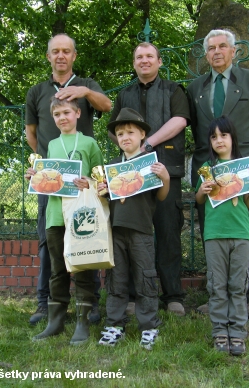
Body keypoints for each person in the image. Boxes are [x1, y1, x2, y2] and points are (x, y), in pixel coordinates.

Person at [26, 33, 112, 325]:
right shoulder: (36, 91)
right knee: (48, 241)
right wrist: (46, 168)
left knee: (86, 237)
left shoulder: (86, 85)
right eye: (55, 52)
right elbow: (31, 134)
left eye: (66, 51)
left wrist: (83, 92)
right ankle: (45, 304)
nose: (61, 56)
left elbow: (107, 107)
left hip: (82, 187)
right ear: (48, 56)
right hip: (51, 185)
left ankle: (91, 305)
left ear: (74, 56)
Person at [187, 29, 249, 320]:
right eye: (211, 48)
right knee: (213, 234)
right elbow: (199, 132)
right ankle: (216, 297)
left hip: (244, 172)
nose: (217, 52)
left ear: (234, 51)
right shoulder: (195, 87)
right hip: (211, 172)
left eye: (223, 46)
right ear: (205, 54)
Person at [108, 42, 190, 316]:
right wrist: (129, 153)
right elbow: (114, 130)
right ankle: (131, 295)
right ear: (134, 63)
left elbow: (180, 120)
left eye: (149, 56)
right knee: (130, 235)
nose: (144, 61)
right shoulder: (124, 94)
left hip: (166, 171)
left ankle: (173, 295)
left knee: (168, 233)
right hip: (130, 179)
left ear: (159, 61)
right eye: (139, 57)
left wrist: (148, 144)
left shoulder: (173, 90)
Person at [26, 97, 104, 345]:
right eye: (57, 114)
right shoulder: (50, 146)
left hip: (81, 216)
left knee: (81, 267)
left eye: (67, 112)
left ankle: (82, 322)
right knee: (57, 270)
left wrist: (88, 183)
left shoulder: (90, 143)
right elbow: (49, 178)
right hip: (55, 216)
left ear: (78, 113)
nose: (62, 118)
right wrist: (34, 176)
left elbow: (101, 183)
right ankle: (55, 322)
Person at [195, 116, 249, 355]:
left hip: (241, 234)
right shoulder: (208, 171)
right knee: (217, 285)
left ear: (232, 138)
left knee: (238, 285)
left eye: (223, 135)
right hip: (214, 235)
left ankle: (237, 333)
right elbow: (199, 200)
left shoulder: (245, 169)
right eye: (214, 136)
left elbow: (248, 204)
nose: (219, 140)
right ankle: (219, 331)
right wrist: (201, 191)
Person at [97, 108, 169, 350]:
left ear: (142, 135)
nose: (125, 137)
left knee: (145, 278)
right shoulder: (113, 167)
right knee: (116, 279)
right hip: (116, 230)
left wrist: (165, 178)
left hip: (141, 231)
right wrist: (103, 191)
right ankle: (114, 324)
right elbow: (108, 200)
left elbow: (161, 195)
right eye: (119, 134)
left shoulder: (151, 164)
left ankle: (149, 326)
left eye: (130, 132)